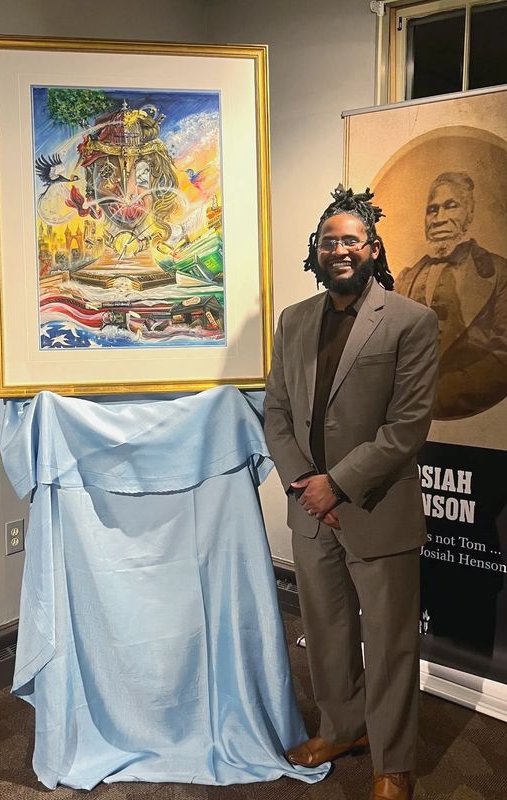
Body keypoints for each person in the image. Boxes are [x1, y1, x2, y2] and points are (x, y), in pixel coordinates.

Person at [264, 186, 438, 800]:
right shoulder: (293, 321)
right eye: (329, 241)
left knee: (389, 643)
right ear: (315, 251)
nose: (340, 249)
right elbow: (277, 412)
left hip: (376, 508)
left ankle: (394, 762)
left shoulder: (412, 322)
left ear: (372, 248)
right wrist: (303, 485)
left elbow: (406, 428)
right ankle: (342, 729)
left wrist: (335, 485)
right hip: (310, 513)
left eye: (351, 240)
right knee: (327, 632)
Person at [395, 171, 507, 419]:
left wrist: (434, 397)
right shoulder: (405, 279)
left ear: (469, 213)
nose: (439, 218)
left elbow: (504, 356)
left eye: (451, 206)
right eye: (432, 210)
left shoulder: (499, 273)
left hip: (468, 420)